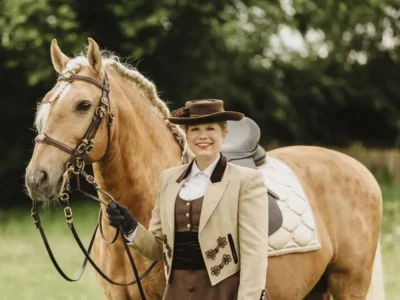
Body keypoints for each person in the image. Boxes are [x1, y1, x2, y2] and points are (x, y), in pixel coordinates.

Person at [107, 99, 270, 299]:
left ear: (224, 134)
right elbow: (158, 248)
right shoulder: (168, 179)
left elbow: (255, 254)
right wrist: (131, 227)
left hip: (222, 291)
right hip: (177, 292)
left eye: (210, 128)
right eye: (195, 130)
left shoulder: (246, 181)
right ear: (186, 134)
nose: (203, 136)